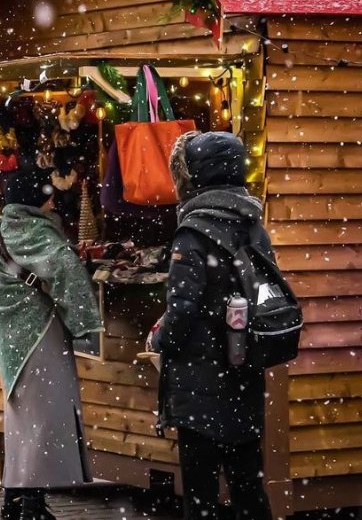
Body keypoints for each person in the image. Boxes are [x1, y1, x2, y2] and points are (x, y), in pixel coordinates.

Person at [0, 169, 103, 520]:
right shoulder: (37, 232)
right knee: (43, 424)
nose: (54, 200)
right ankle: (30, 507)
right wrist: (85, 326)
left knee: (22, 423)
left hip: (10, 338)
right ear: (33, 200)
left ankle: (15, 503)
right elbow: (67, 272)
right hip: (41, 334)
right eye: (48, 195)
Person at [150, 131, 273, 520]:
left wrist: (160, 340)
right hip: (244, 373)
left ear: (196, 175)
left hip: (199, 380)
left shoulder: (193, 231)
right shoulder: (254, 223)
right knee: (248, 487)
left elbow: (181, 310)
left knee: (201, 493)